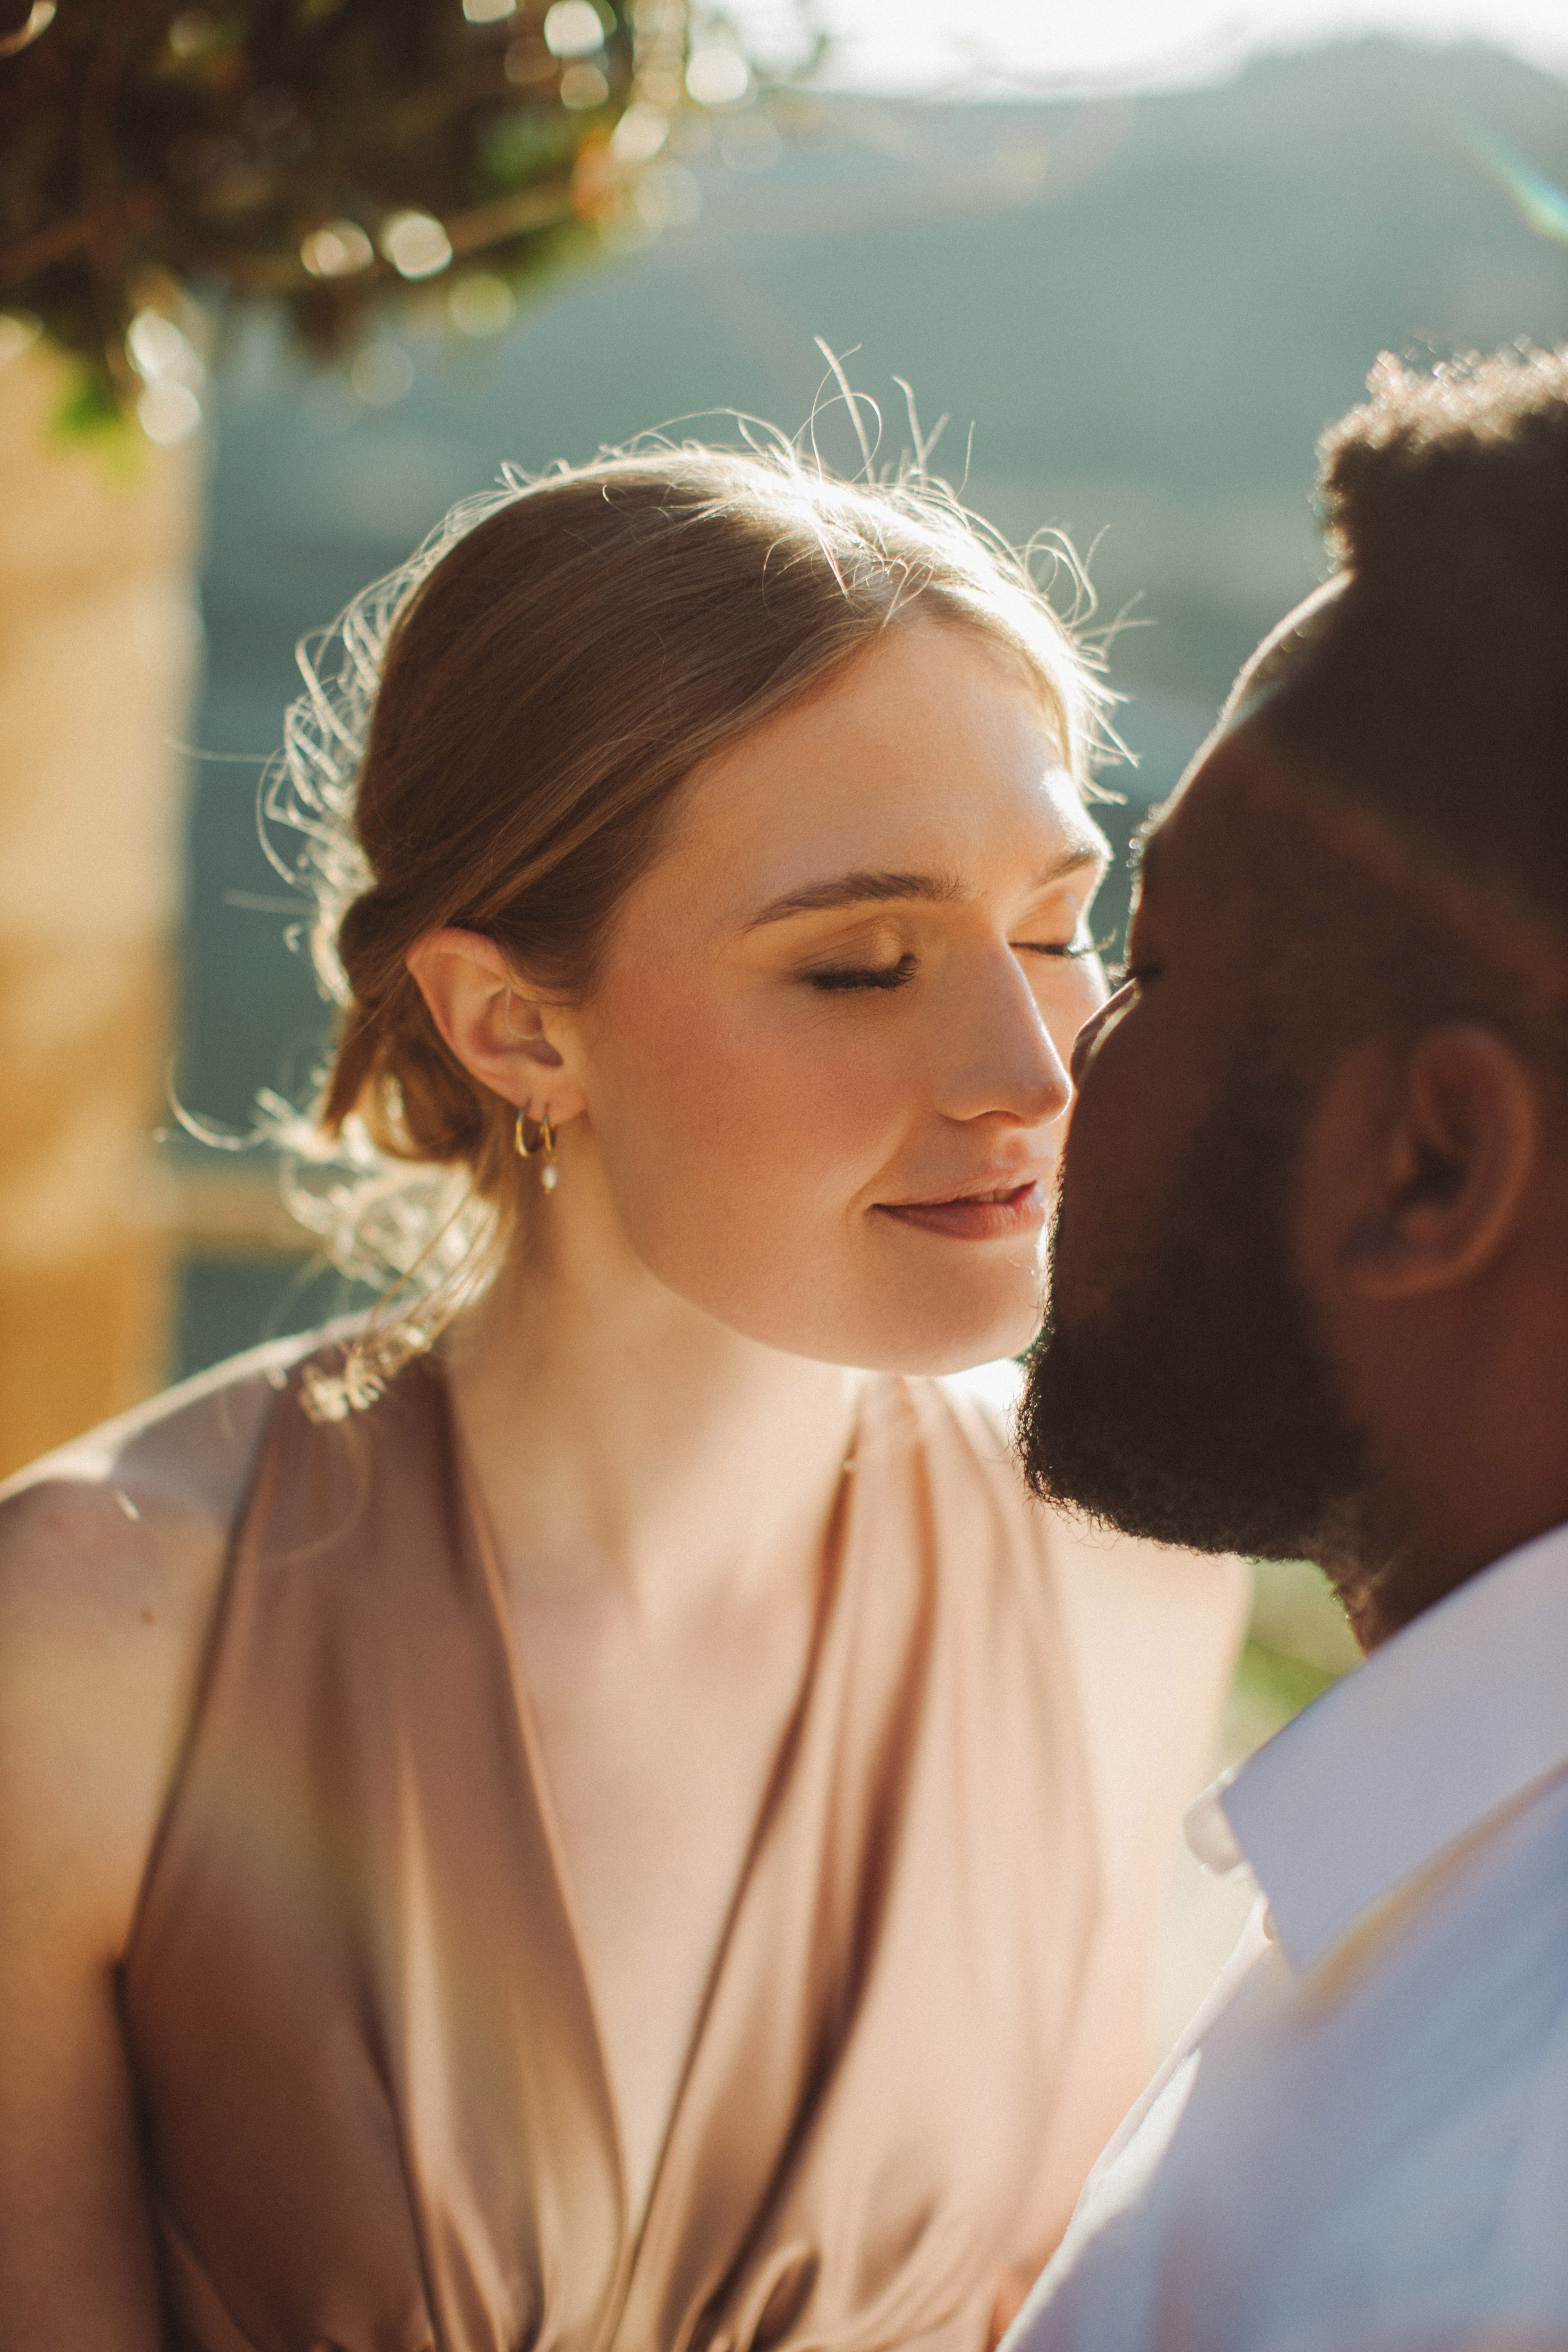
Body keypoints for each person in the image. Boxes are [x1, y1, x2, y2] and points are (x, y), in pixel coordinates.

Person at [0, 443, 1245, 2352]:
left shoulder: (1127, 1579)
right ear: (515, 1023)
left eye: (1056, 928)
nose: (1032, 1068)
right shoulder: (92, 1634)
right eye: (856, 965)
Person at [1009, 346, 1568, 2352]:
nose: (1055, 1074)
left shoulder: (1489, 2229)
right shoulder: (1432, 1898)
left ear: (1430, 1164)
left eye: (1148, 971)